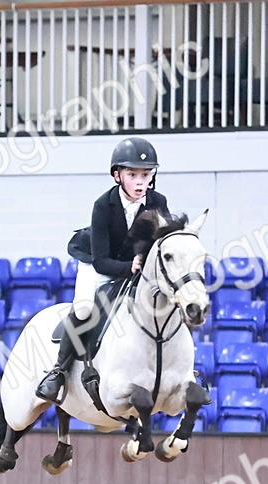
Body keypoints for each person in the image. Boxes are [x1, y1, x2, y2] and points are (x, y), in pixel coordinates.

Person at [35, 136, 172, 402]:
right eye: (132, 174)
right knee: (85, 309)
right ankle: (58, 372)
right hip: (97, 262)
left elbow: (163, 241)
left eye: (145, 174)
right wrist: (130, 266)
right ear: (117, 175)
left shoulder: (158, 201)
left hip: (136, 266)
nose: (140, 181)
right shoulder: (102, 205)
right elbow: (101, 261)